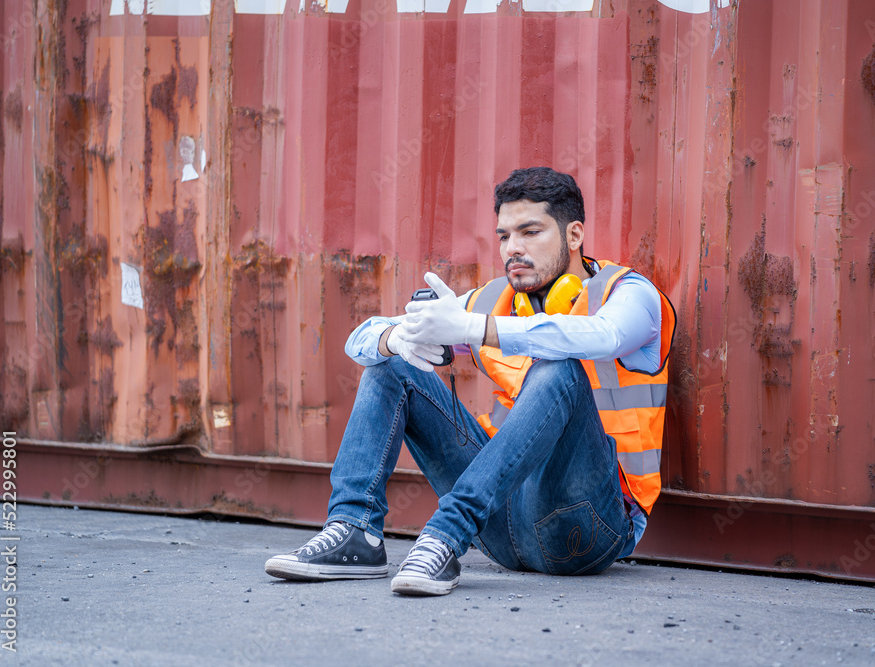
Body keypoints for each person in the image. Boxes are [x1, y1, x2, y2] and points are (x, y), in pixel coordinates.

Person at [264, 167, 674, 596]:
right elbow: (360, 339)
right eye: (504, 236)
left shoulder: (628, 294)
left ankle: (444, 534)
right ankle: (354, 533)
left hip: (587, 526)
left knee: (560, 366)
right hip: (500, 524)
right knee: (394, 363)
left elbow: (603, 336)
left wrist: (476, 329)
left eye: (530, 232)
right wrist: (395, 338)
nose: (513, 248)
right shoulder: (494, 301)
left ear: (574, 236)